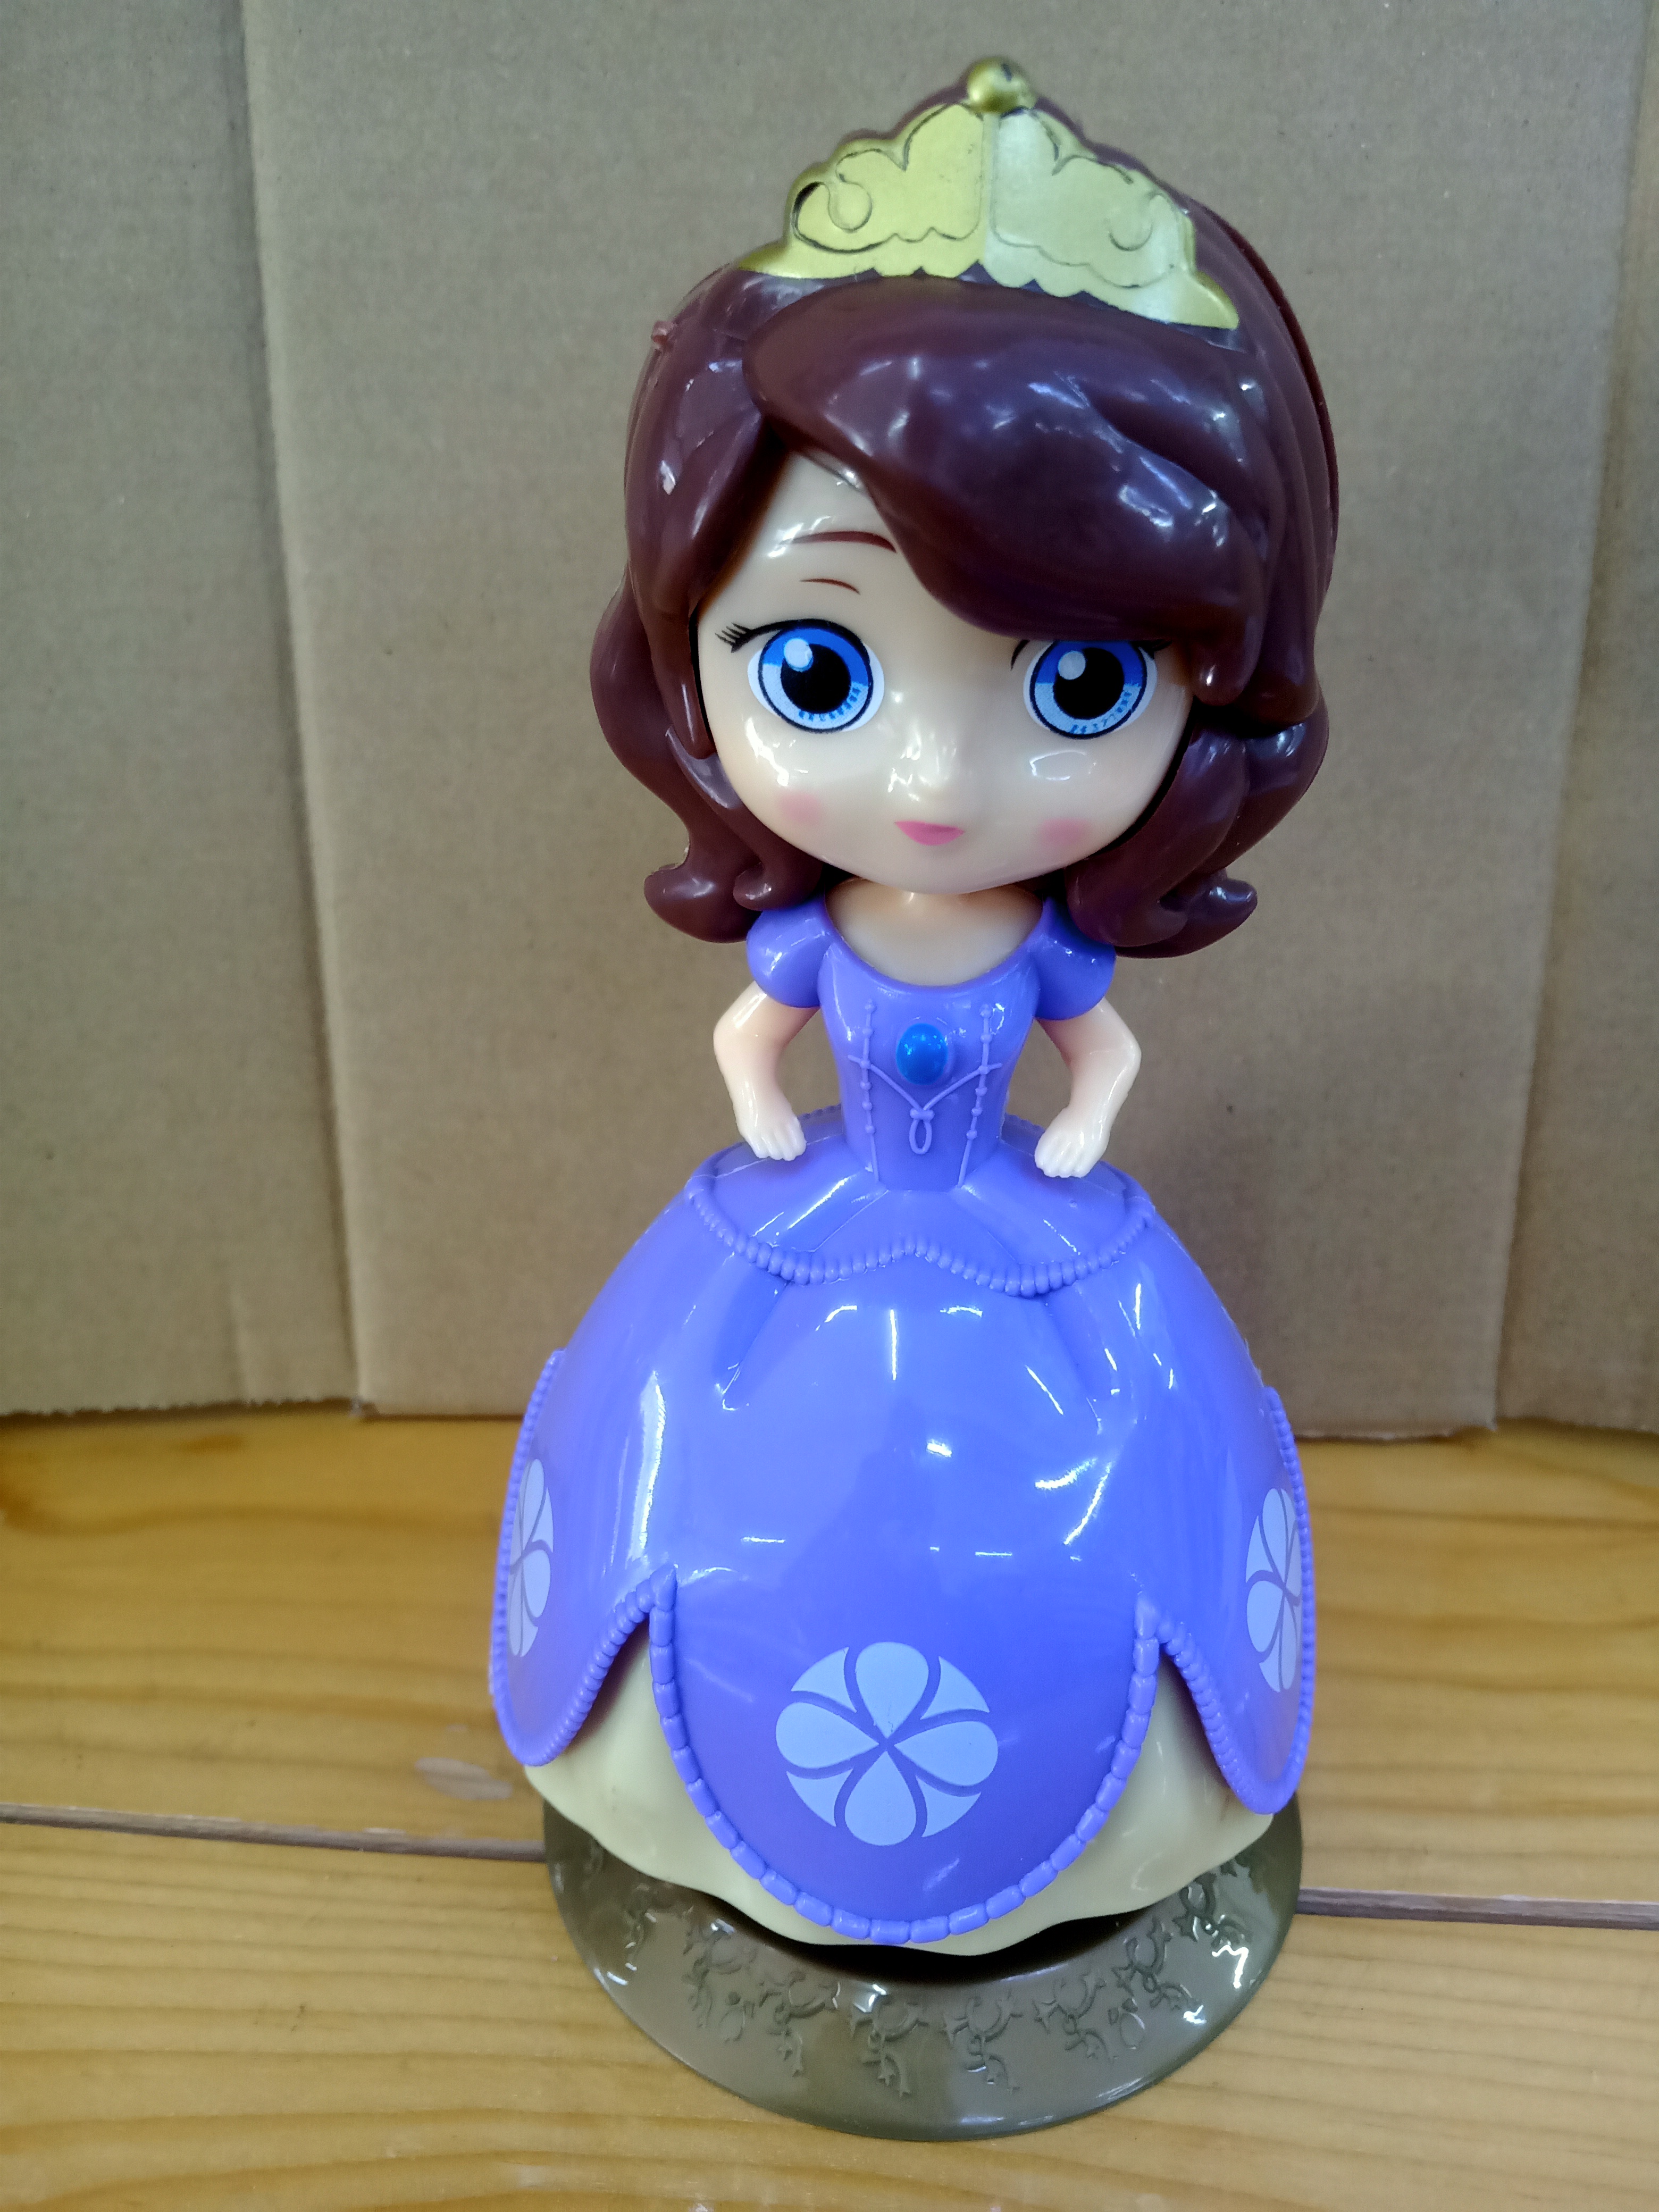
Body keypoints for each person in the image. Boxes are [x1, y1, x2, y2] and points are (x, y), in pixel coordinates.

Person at [491, 61, 1336, 1954]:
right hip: (804, 1229)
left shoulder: (1046, 956)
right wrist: (761, 1112)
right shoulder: (813, 946)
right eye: (818, 668)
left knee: (1113, 1537)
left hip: (1031, 1245)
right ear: (692, 663)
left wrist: (1089, 1125)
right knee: (709, 1512)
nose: (937, 783)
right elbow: (750, 1038)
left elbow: (1101, 1045)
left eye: (1079, 687)